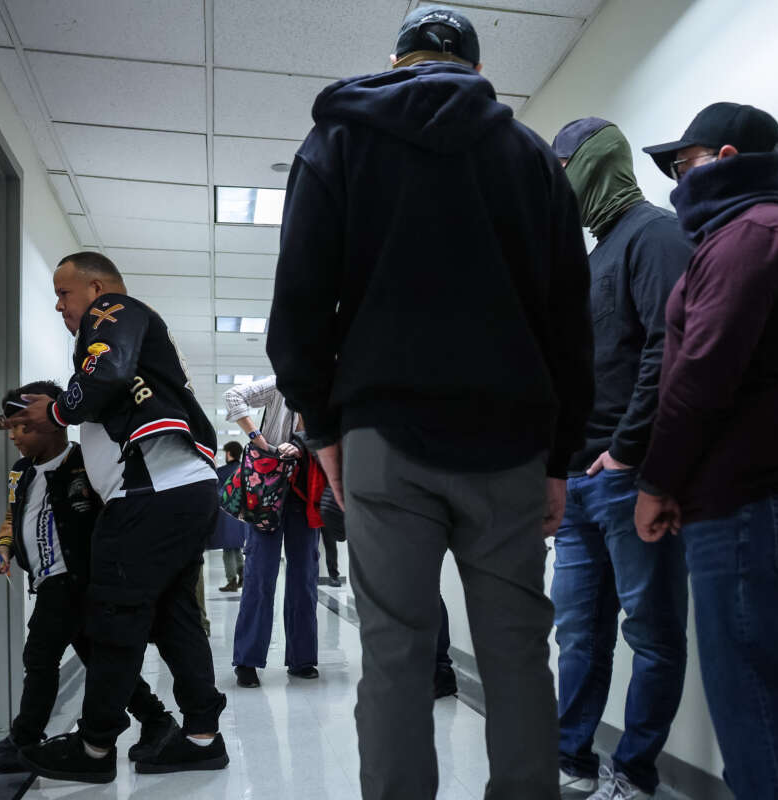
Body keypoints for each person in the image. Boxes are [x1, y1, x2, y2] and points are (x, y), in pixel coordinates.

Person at [265, 7, 594, 799]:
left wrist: (323, 426)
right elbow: (568, 326)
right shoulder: (531, 160)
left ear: (395, 60)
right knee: (517, 654)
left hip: (384, 437)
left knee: (396, 654)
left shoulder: (339, 141)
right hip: (512, 445)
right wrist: (560, 460)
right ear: (479, 75)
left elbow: (300, 306)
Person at [636, 103, 778, 800]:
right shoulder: (748, 235)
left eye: (682, 165)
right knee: (749, 686)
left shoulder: (749, 235)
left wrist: (657, 480)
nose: (674, 182)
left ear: (725, 159)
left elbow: (703, 371)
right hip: (746, 494)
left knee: (749, 692)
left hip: (751, 498)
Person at [10, 252, 229, 783]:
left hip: (152, 494)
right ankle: (202, 736)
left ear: (97, 287)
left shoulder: (111, 309)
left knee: (113, 613)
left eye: (65, 293)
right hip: (178, 490)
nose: (60, 305)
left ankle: (93, 749)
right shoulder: (120, 328)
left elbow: (106, 372)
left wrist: (58, 412)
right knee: (172, 614)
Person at [547, 119, 693, 800]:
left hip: (627, 477)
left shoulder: (656, 235)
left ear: (598, 163)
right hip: (578, 483)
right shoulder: (593, 253)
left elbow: (670, 350)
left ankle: (634, 772)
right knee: (578, 636)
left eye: (565, 167)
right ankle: (570, 759)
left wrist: (626, 451)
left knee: (653, 633)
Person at [0, 381, 175, 774]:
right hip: (45, 579)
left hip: (77, 580)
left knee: (39, 656)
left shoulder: (84, 463)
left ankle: (24, 740)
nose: (14, 437)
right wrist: (3, 549)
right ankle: (157, 719)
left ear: (53, 423)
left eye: (22, 427)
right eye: (9, 428)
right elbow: (13, 518)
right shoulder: (20, 472)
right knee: (98, 659)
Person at [225, 376, 326, 688]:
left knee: (304, 580)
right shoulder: (282, 383)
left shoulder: (333, 392)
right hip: (268, 490)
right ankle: (247, 660)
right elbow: (234, 395)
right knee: (259, 576)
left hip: (306, 494)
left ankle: (302, 659)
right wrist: (260, 441)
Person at [318, 486, 458, 699]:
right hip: (409, 514)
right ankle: (427, 667)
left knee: (422, 590)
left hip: (421, 513)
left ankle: (439, 669)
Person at [215, 440, 246, 592]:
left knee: (228, 550)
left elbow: (218, 496)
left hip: (227, 517)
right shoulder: (245, 469)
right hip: (242, 518)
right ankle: (243, 573)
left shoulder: (221, 472)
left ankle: (231, 581)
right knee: (237, 548)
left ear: (228, 453)